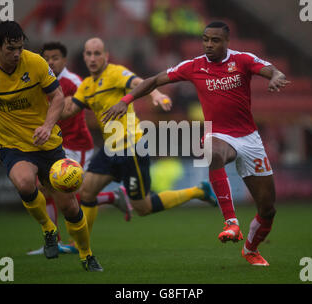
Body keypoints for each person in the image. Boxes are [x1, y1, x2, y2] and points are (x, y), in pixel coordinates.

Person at [102, 21, 290, 266]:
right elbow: (154, 80)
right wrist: (125, 100)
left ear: (226, 42)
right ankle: (231, 222)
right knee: (211, 152)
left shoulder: (242, 60)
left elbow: (273, 70)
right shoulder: (193, 66)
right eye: (205, 40)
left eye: (215, 40)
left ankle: (250, 249)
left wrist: (276, 77)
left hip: (249, 139)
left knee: (268, 210)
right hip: (219, 135)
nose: (209, 44)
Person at [0, 21, 103, 272]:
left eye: (19, 47)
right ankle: (49, 230)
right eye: (10, 49)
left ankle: (87, 254)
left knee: (70, 207)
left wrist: (48, 126)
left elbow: (58, 97)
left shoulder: (36, 63)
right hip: (13, 146)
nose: (16, 54)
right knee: (25, 183)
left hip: (47, 144)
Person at [60, 37, 218, 235]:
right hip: (110, 148)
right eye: (89, 54)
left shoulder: (115, 73)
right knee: (86, 192)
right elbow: (70, 110)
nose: (93, 58)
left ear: (106, 56)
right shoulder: (85, 87)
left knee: (143, 207)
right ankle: (81, 245)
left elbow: (139, 82)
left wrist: (156, 95)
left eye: (97, 53)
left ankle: (199, 191)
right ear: (84, 57)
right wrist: (48, 111)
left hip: (131, 148)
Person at [27, 41, 132, 256]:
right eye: (46, 58)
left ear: (64, 60)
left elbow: (81, 105)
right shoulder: (40, 81)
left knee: (72, 194)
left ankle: (112, 198)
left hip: (77, 144)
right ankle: (53, 241)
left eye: (55, 58)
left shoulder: (73, 82)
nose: (50, 62)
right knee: (45, 189)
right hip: (55, 145)